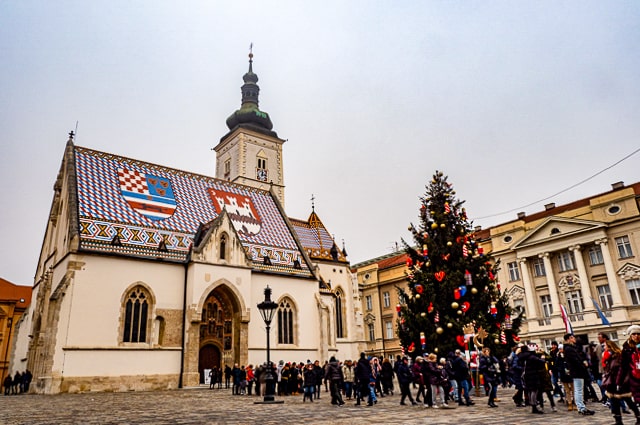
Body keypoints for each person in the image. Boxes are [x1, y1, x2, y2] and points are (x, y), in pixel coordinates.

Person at [603, 336, 640, 425]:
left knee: (628, 401)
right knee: (614, 402)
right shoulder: (608, 357)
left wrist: (620, 382)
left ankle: (638, 417)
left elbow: (621, 369)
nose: (604, 347)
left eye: (605, 346)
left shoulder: (617, 356)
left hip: (619, 382)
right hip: (612, 383)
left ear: (610, 346)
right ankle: (618, 421)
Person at [563, 333, 595, 415]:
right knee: (578, 390)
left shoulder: (571, 348)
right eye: (572, 337)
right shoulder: (569, 349)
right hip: (577, 371)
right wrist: (583, 365)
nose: (574, 339)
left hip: (577, 371)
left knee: (578, 390)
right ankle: (581, 407)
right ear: (568, 339)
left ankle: (581, 407)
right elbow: (575, 361)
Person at [518, 345, 545, 414]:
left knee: (530, 390)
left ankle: (532, 404)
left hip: (526, 375)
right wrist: (543, 358)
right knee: (534, 390)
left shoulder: (521, 356)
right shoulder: (530, 356)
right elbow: (540, 362)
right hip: (533, 374)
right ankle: (534, 405)